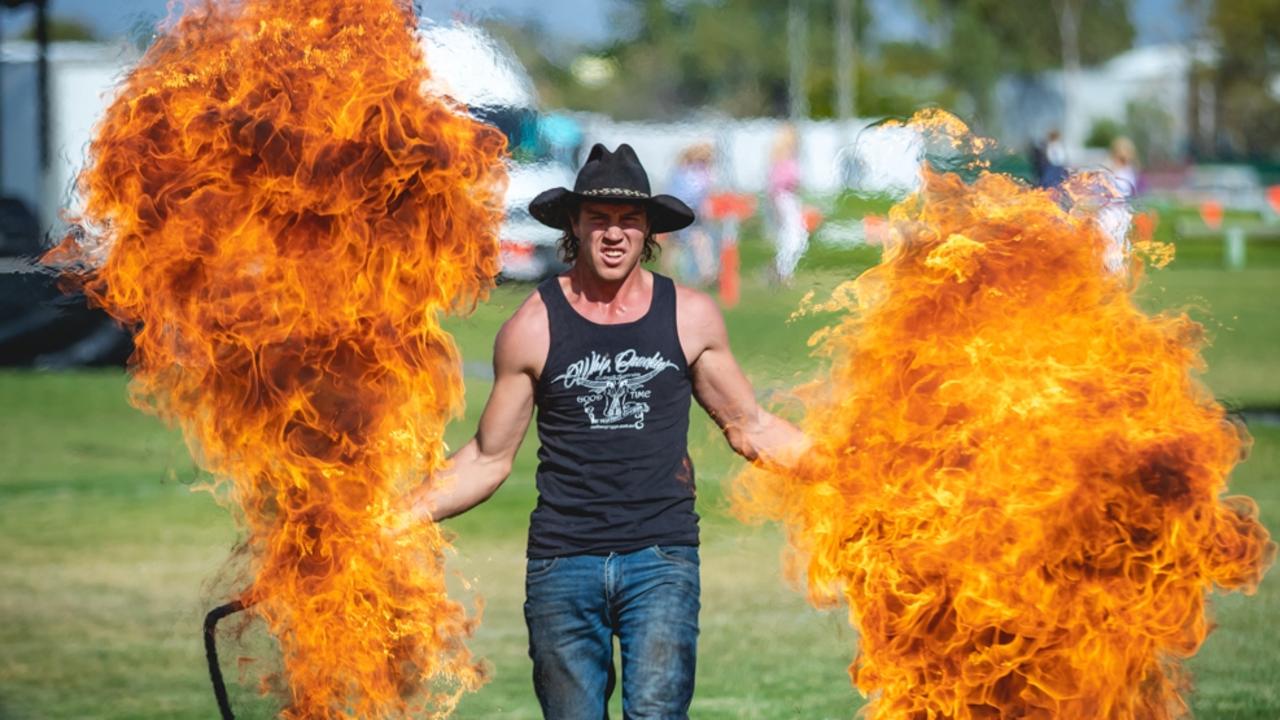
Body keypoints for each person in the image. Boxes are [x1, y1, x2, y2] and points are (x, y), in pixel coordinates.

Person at [404, 143, 807, 719]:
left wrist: (851, 470)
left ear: (648, 232)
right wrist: (385, 523)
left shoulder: (689, 315)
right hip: (563, 562)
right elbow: (488, 459)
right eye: (599, 219)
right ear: (574, 225)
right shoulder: (533, 325)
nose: (614, 234)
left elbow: (752, 428)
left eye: (629, 221)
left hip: (661, 558)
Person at [665, 143, 717, 286]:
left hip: (692, 213)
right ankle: (669, 273)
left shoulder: (699, 172)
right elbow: (689, 193)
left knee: (699, 241)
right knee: (677, 244)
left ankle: (707, 273)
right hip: (681, 211)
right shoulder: (684, 172)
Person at [765, 125, 809, 283]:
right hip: (784, 199)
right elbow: (775, 188)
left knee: (796, 236)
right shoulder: (782, 161)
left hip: (790, 199)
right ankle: (782, 270)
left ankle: (782, 269)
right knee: (794, 236)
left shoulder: (788, 159)